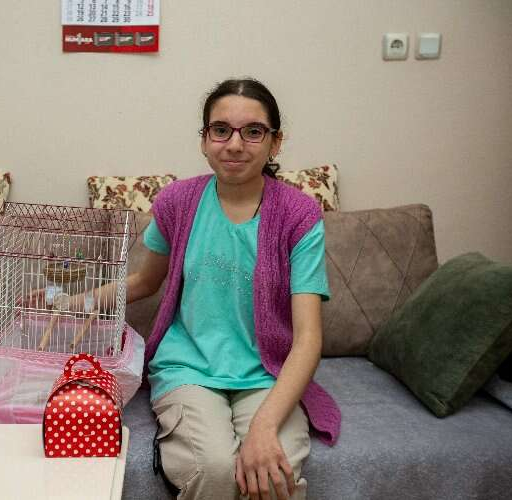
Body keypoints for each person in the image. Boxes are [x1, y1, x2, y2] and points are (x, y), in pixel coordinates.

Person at [42, 77, 341, 500]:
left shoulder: (300, 215)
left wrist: (264, 425)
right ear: (204, 140)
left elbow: (308, 337)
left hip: (267, 375)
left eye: (253, 131)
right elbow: (145, 281)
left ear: (275, 143)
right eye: (221, 130)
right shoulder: (177, 202)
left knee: (272, 479)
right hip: (188, 369)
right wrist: (70, 302)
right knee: (214, 471)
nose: (234, 144)